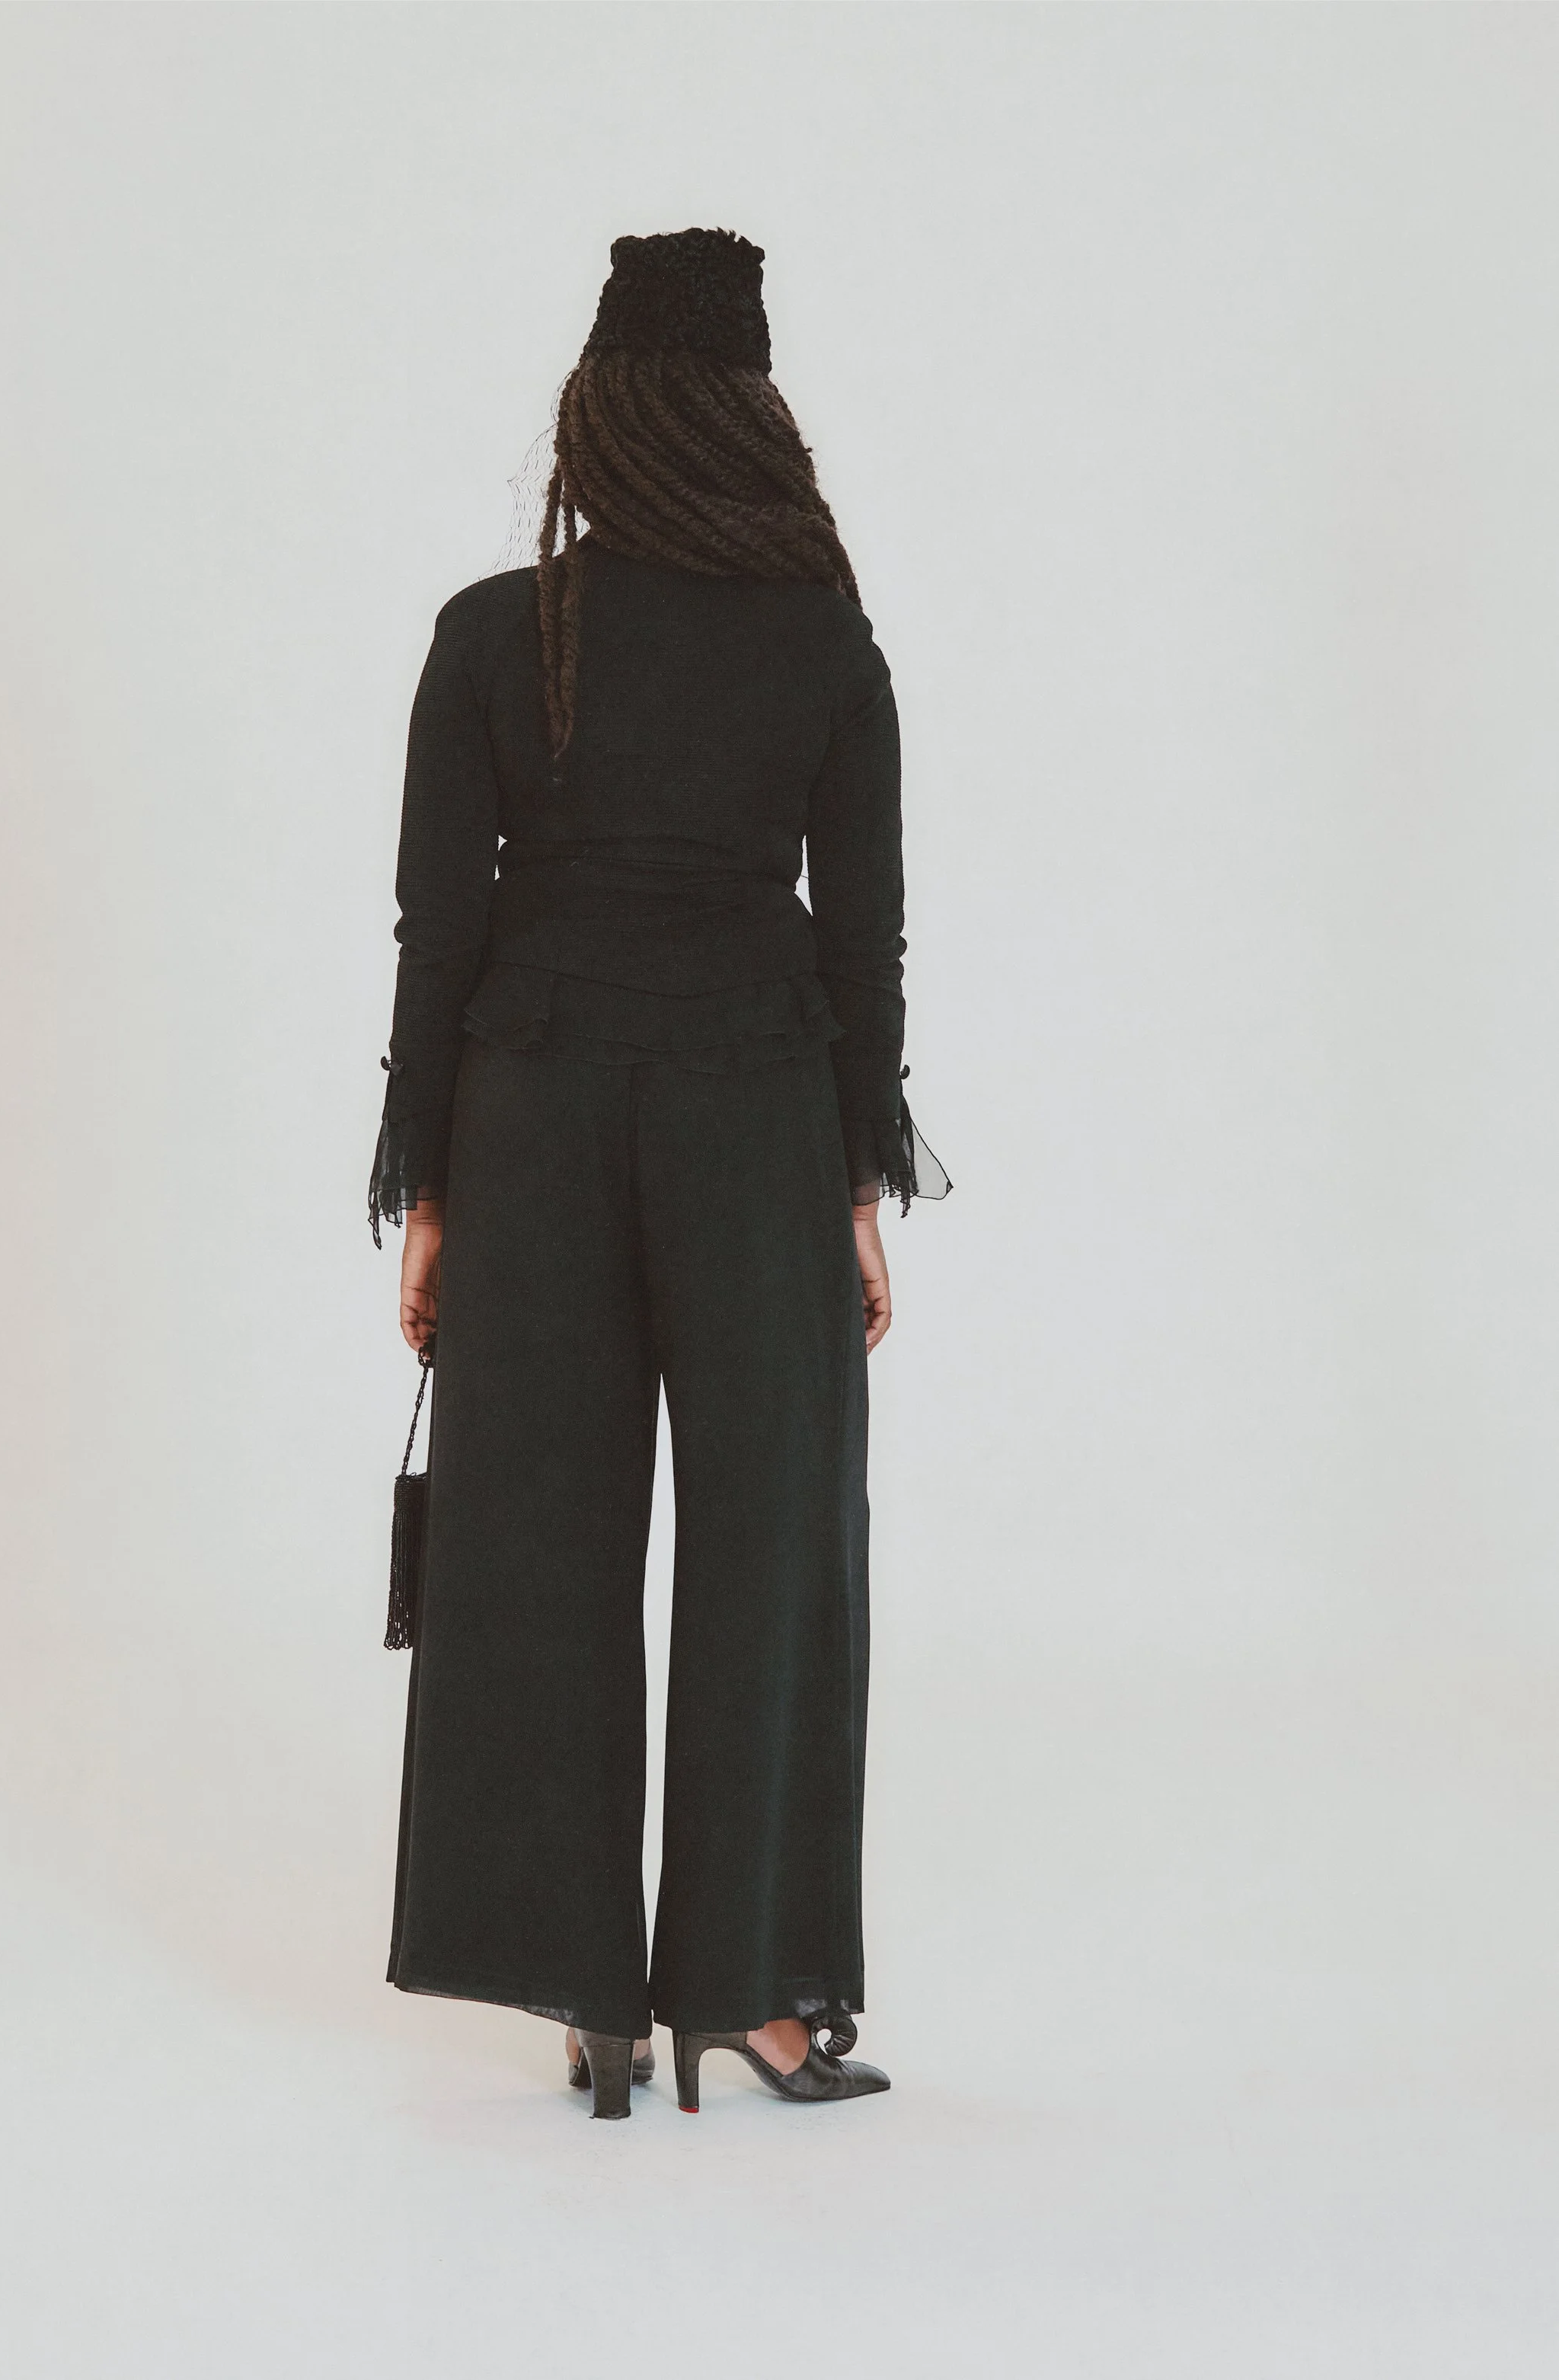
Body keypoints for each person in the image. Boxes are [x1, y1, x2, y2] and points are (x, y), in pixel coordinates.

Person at [367, 227, 948, 2120]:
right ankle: (755, 1991)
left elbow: (436, 935)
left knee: (532, 1532)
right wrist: (855, 1188)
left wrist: (428, 1187)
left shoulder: (493, 634)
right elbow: (861, 938)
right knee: (777, 1542)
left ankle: (585, 1996)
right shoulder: (822, 642)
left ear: (594, 419)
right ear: (754, 419)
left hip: (529, 1108)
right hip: (754, 1110)